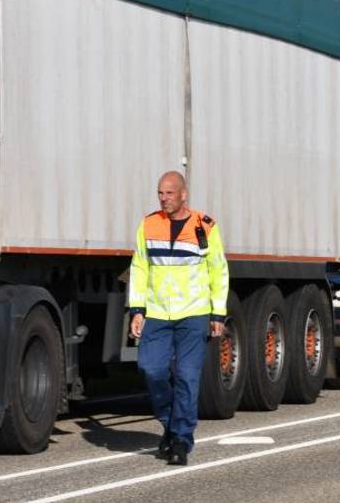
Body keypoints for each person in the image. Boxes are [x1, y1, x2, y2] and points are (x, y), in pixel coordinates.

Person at [127, 171, 229, 465]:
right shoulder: (148, 224)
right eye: (160, 193)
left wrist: (217, 312)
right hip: (157, 313)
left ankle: (181, 439)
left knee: (186, 376)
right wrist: (137, 309)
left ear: (183, 194)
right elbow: (140, 267)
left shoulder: (205, 227)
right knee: (151, 369)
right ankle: (171, 424)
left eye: (169, 193)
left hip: (194, 314)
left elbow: (218, 271)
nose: (163, 198)